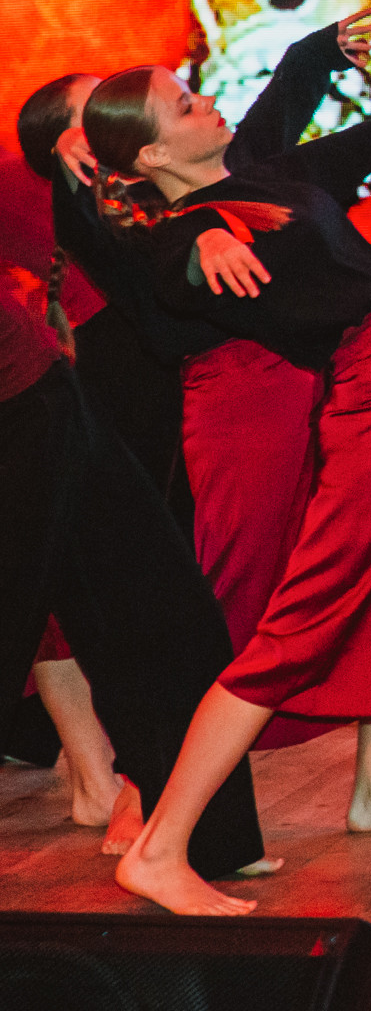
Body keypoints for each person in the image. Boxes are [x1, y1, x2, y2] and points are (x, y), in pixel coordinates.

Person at [84, 63, 371, 915]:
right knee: (262, 603)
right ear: (150, 154)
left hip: (367, 377)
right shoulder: (173, 236)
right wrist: (201, 241)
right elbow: (171, 267)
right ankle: (153, 812)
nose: (209, 101)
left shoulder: (263, 174)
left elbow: (367, 135)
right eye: (186, 104)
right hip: (302, 396)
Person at [0, 282, 271, 888]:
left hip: (39, 385)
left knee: (167, 612)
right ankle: (176, 832)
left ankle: (194, 839)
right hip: (24, 402)